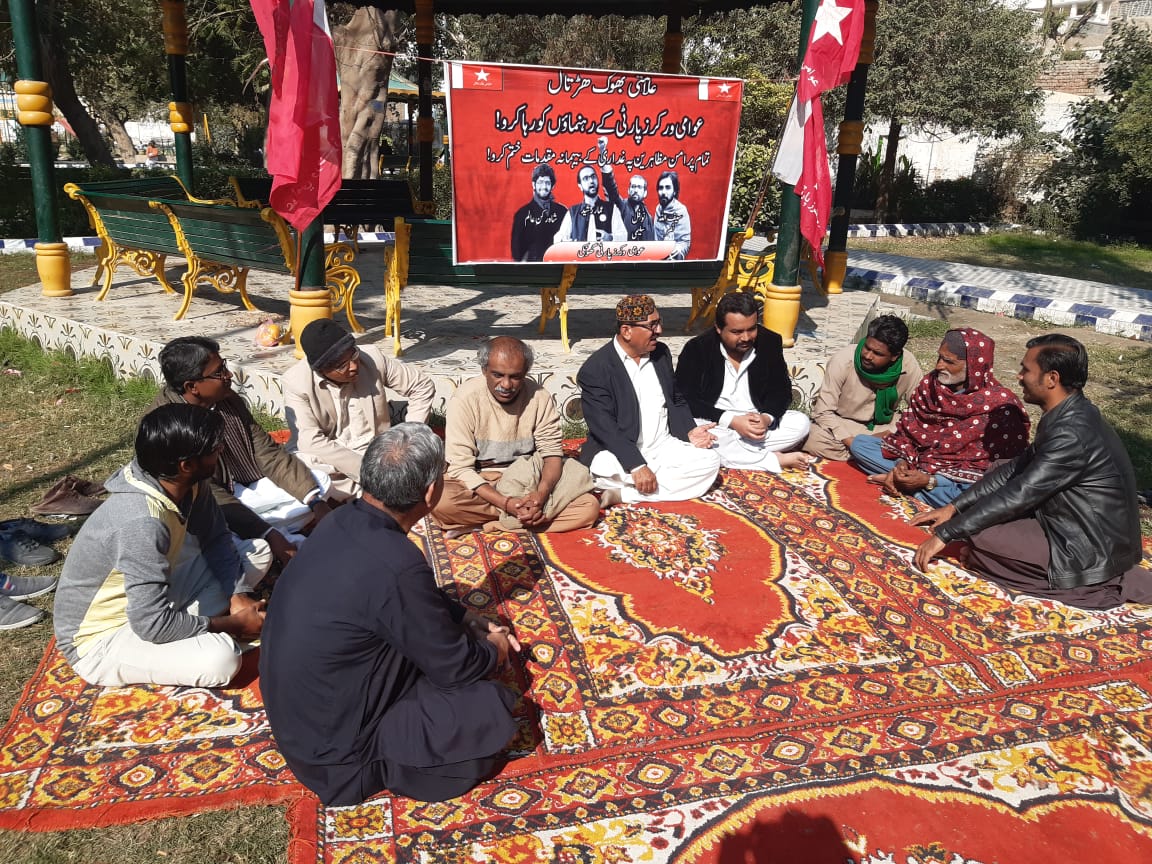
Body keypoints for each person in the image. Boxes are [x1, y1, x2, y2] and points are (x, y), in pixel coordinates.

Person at [260, 424, 519, 806]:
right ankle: (393, 764)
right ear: (431, 493)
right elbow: (455, 668)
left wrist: (462, 616)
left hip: (305, 724)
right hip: (341, 759)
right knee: (491, 707)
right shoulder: (398, 564)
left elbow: (397, 599)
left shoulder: (340, 519)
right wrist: (494, 648)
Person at [911, 334, 1152, 609]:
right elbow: (1015, 469)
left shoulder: (1071, 434)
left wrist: (946, 533)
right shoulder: (1068, 412)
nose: (1019, 376)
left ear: (1051, 378)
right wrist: (955, 507)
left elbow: (1021, 494)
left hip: (1087, 544)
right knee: (993, 483)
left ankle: (1093, 583)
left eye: (1026, 369)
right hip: (1071, 524)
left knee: (981, 536)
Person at [53, 405, 265, 687]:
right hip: (105, 637)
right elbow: (150, 623)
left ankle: (195, 623)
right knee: (221, 660)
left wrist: (237, 594)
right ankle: (200, 628)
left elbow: (215, 539)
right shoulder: (141, 522)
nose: (222, 450)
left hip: (152, 598)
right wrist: (233, 625)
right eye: (215, 448)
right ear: (186, 465)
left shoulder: (187, 481)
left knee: (257, 552)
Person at [154, 337, 332, 580]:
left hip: (243, 486)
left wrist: (316, 503)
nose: (228, 375)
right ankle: (269, 533)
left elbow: (267, 453)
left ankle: (268, 531)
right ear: (192, 386)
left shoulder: (228, 400)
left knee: (319, 482)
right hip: (205, 503)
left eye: (224, 366)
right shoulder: (171, 425)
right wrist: (269, 533)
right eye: (219, 373)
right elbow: (206, 495)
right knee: (222, 533)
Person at [433, 337, 598, 537]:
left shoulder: (539, 397)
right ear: (484, 370)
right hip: (483, 482)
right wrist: (507, 504)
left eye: (515, 377)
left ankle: (490, 525)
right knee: (440, 500)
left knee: (588, 507)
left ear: (525, 373)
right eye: (498, 375)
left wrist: (540, 496)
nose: (506, 384)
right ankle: (522, 517)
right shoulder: (465, 399)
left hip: (529, 480)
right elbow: (461, 468)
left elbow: (552, 455)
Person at [848, 328, 1030, 507]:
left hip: (956, 480)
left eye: (949, 361)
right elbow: (908, 433)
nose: (939, 366)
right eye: (940, 357)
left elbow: (999, 468)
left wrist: (930, 480)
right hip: (917, 462)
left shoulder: (1001, 406)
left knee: (981, 495)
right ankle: (905, 481)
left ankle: (914, 488)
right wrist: (902, 464)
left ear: (973, 367)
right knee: (861, 445)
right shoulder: (930, 385)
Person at [578, 295, 721, 503]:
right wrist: (636, 465)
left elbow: (676, 399)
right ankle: (651, 480)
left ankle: (625, 493)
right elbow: (604, 427)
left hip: (663, 446)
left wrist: (688, 431)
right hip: (618, 452)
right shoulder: (596, 369)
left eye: (659, 322)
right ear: (627, 331)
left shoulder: (660, 354)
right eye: (652, 325)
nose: (659, 331)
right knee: (604, 467)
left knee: (710, 461)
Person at [284, 319, 435, 499]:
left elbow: (421, 386)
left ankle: (373, 493)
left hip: (378, 451)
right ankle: (385, 490)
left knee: (428, 448)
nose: (354, 366)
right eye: (342, 366)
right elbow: (310, 442)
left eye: (353, 355)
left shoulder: (371, 358)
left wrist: (407, 443)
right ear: (322, 369)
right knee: (301, 469)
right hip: (332, 456)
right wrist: (367, 472)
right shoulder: (296, 382)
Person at [675, 292, 812, 473]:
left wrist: (766, 418)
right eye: (737, 332)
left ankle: (739, 453)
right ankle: (773, 459)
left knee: (800, 422)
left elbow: (781, 390)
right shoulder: (697, 348)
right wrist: (731, 421)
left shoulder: (769, 342)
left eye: (751, 329)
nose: (746, 338)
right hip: (717, 424)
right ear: (718, 328)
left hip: (756, 426)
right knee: (695, 430)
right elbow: (685, 399)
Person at [804, 315, 925, 461]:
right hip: (844, 425)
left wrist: (891, 432)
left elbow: (920, 410)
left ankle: (864, 454)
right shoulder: (843, 359)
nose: (867, 356)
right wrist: (853, 443)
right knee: (812, 437)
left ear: (894, 356)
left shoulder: (908, 364)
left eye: (878, 354)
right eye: (867, 348)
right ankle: (873, 454)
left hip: (884, 428)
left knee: (920, 437)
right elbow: (823, 411)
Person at [598, 137, 653, 242]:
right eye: (633, 186)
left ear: (645, 193)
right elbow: (610, 187)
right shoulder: (621, 206)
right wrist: (602, 152)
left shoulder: (648, 218)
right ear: (628, 190)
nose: (635, 190)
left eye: (639, 187)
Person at [553, 164, 625, 244]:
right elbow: (558, 238)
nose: (591, 181)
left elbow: (624, 236)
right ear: (580, 186)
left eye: (593, 177)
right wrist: (564, 241)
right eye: (586, 179)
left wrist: (611, 237)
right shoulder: (572, 212)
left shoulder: (611, 208)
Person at [510, 165, 567, 261]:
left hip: (557, 268)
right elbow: (516, 252)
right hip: (531, 270)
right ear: (533, 184)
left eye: (547, 183)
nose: (544, 187)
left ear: (552, 186)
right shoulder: (522, 214)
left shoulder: (562, 212)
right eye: (540, 182)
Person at [654, 170, 691, 260]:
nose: (663, 192)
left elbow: (684, 242)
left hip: (673, 262)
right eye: (661, 188)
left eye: (668, 188)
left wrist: (672, 249)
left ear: (674, 191)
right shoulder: (658, 209)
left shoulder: (681, 210)